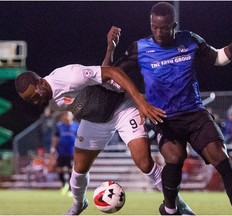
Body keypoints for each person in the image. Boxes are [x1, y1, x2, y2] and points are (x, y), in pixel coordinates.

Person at [105, 2, 232, 215]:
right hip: (164, 118)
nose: (159, 32)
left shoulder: (189, 39)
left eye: (165, 27)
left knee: (223, 161)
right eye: (154, 27)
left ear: (175, 25)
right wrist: (110, 48)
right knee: (175, 157)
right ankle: (170, 210)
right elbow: (109, 77)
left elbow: (218, 58)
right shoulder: (140, 48)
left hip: (195, 114)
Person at [15, 64, 191, 215]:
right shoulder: (49, 99)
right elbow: (86, 96)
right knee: (78, 170)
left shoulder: (70, 76)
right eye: (31, 101)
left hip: (122, 108)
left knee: (144, 163)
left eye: (35, 96)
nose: (36, 102)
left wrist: (140, 102)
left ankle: (178, 204)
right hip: (95, 121)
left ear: (40, 82)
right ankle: (78, 204)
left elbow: (113, 72)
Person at [50, 111, 79, 196]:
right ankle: (63, 185)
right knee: (59, 168)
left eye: (68, 115)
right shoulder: (59, 126)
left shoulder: (76, 125)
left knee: (71, 169)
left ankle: (70, 187)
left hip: (72, 151)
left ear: (72, 116)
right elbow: (56, 137)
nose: (67, 116)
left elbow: (80, 137)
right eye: (65, 115)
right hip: (61, 150)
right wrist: (53, 147)